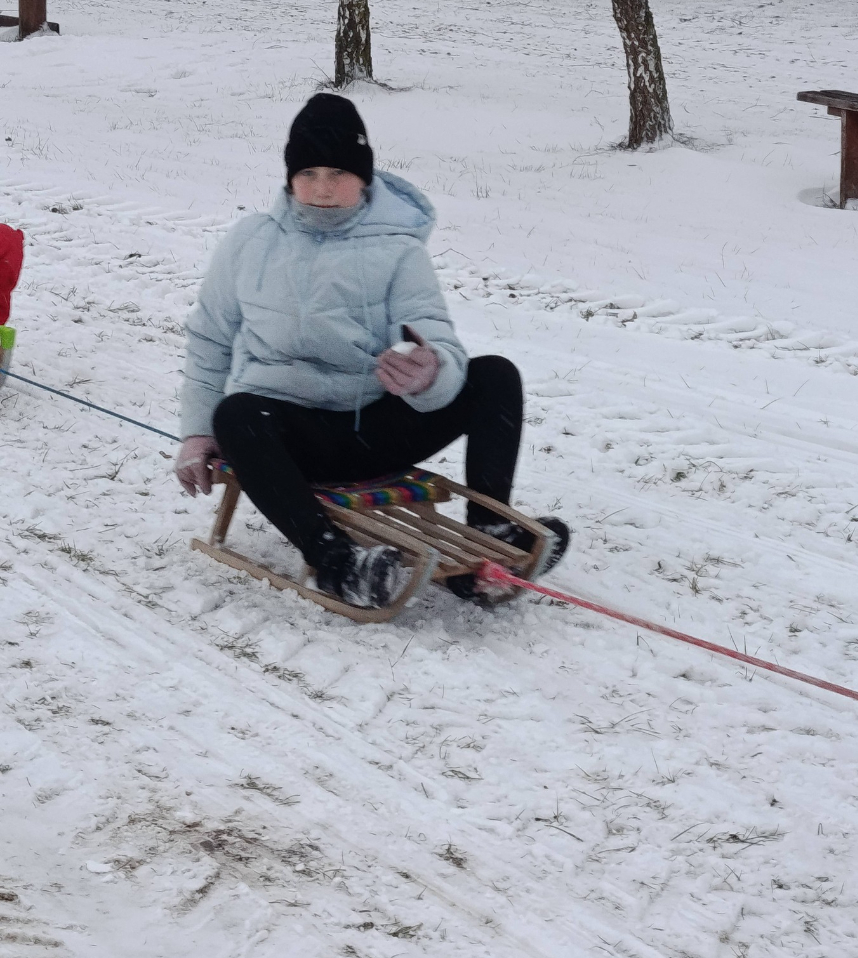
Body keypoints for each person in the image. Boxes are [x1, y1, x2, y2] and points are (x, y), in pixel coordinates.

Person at [176, 95, 569, 610]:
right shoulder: (252, 241)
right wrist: (196, 433)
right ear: (289, 176)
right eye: (308, 172)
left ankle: (490, 536)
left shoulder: (398, 248)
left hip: (373, 430)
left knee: (494, 375)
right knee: (237, 413)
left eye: (337, 171)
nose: (320, 189)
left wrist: (430, 372)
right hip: (288, 439)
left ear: (363, 176)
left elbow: (435, 334)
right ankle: (337, 563)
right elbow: (210, 338)